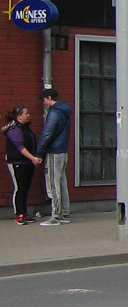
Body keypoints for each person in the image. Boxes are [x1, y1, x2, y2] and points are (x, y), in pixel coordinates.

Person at [37, 87, 71, 226]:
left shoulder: (54, 113)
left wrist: (39, 153)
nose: (43, 102)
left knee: (53, 183)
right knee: (62, 181)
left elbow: (47, 134)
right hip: (63, 150)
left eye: (44, 99)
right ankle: (65, 212)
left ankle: (55, 216)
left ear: (50, 98)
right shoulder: (65, 111)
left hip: (53, 151)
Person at [5, 106, 41, 225]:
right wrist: (33, 158)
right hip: (17, 163)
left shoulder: (26, 129)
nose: (29, 115)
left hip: (27, 162)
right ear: (19, 116)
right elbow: (20, 147)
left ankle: (24, 213)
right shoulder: (14, 130)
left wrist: (35, 157)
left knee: (25, 188)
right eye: (26, 113)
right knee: (19, 188)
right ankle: (19, 214)